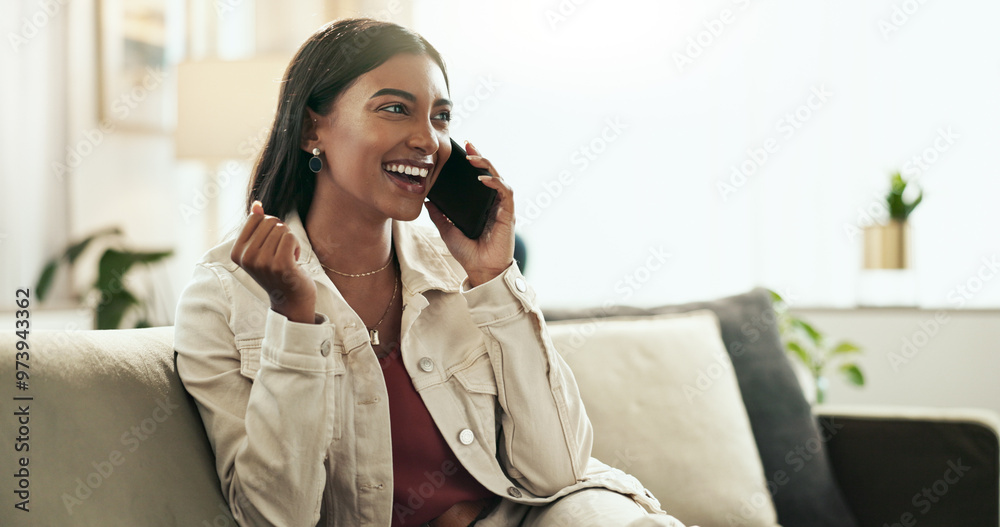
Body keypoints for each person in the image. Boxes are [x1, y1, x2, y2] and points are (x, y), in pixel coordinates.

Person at [174, 17, 686, 527]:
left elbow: (557, 471)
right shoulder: (222, 298)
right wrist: (293, 320)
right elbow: (275, 517)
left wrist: (494, 278)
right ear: (313, 129)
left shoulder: (458, 271)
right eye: (395, 109)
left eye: (441, 117)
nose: (428, 140)